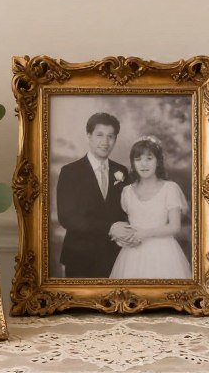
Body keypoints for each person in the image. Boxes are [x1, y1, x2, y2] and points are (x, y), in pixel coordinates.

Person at [55, 112, 130, 278]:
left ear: (116, 139)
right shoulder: (70, 172)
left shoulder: (121, 171)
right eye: (100, 135)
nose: (105, 142)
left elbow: (127, 210)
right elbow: (67, 218)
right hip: (81, 257)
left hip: (115, 256)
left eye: (111, 136)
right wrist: (109, 228)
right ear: (89, 136)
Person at [108, 136, 192, 279]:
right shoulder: (127, 191)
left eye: (149, 158)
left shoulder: (169, 188)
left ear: (158, 161)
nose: (143, 164)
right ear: (133, 163)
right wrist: (122, 237)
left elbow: (174, 227)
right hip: (132, 253)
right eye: (138, 159)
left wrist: (145, 233)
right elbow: (127, 224)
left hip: (163, 252)